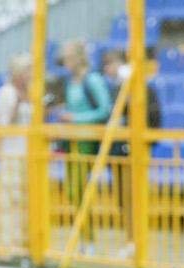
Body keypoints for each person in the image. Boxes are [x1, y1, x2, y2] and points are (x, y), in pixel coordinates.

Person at [57, 40, 112, 255]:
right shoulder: (71, 82)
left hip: (87, 142)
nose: (66, 63)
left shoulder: (93, 79)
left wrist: (76, 117)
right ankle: (84, 237)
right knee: (72, 191)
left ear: (80, 57)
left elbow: (104, 110)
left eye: (69, 58)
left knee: (80, 189)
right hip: (71, 141)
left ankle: (89, 239)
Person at [0, 53, 31, 250]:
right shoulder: (6, 93)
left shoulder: (30, 93)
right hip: (12, 153)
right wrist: (19, 102)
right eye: (27, 71)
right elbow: (4, 124)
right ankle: (10, 242)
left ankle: (25, 239)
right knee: (11, 199)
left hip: (28, 154)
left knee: (25, 199)